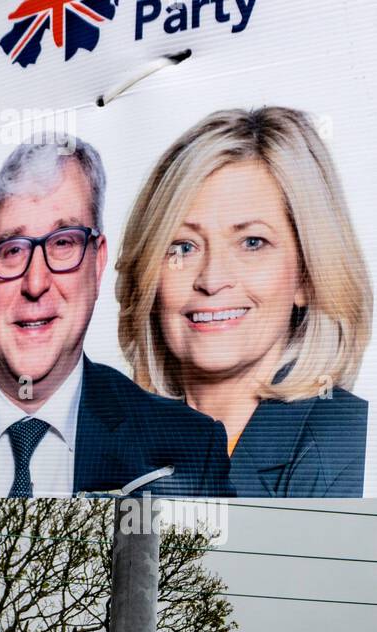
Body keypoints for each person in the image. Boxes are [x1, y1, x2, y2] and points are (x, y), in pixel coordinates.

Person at [0, 134, 231, 498]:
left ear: (97, 265)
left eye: (63, 243)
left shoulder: (189, 448)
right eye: (13, 250)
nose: (35, 283)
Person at [117, 107, 372, 497]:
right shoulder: (107, 449)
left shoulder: (351, 446)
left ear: (307, 274)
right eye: (183, 246)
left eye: (252, 242)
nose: (212, 279)